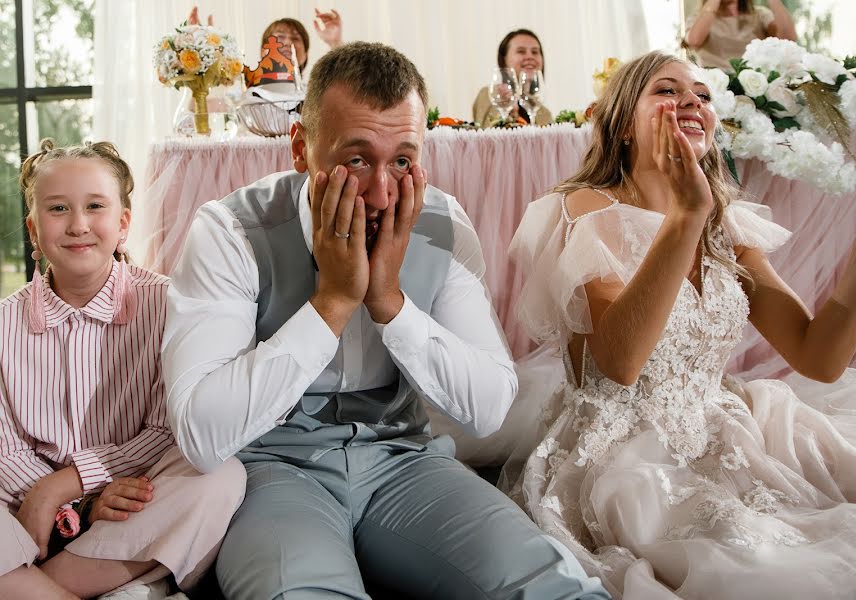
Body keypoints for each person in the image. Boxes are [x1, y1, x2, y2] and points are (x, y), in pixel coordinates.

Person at [161, 41, 610, 600]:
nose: (380, 193)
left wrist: (390, 303)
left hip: (406, 461)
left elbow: (489, 407)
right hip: (272, 471)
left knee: (552, 585)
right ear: (301, 148)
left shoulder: (443, 224)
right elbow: (202, 435)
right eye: (355, 160)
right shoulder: (230, 231)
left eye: (402, 160)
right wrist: (331, 303)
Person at [502, 50, 856, 599]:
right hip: (626, 455)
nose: (691, 101)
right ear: (621, 126)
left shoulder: (727, 225)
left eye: (703, 96)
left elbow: (819, 357)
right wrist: (686, 217)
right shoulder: (585, 209)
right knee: (762, 567)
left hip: (725, 431)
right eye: (666, 91)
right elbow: (618, 365)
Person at [0, 140, 246, 600]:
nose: (78, 225)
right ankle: (129, 588)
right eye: (57, 209)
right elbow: (4, 450)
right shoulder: (3, 325)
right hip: (23, 513)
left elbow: (165, 429)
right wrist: (61, 507)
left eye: (95, 206)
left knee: (220, 475)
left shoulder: (170, 305)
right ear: (34, 230)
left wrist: (70, 488)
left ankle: (33, 589)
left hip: (132, 500)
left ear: (123, 223)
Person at [188, 5, 343, 76]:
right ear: (264, 50)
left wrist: (335, 42)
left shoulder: (316, 95)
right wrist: (204, 49)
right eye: (280, 37)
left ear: (306, 54)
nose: (288, 42)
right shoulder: (243, 93)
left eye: (296, 38)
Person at [473, 28, 553, 126]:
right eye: (521, 51)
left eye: (535, 52)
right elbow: (485, 135)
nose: (530, 56)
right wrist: (508, 116)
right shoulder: (490, 95)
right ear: (504, 60)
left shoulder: (545, 113)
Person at [685, 0, 797, 70]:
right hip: (714, 88)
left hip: (756, 88)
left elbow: (788, 38)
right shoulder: (699, 18)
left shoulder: (760, 15)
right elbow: (694, 40)